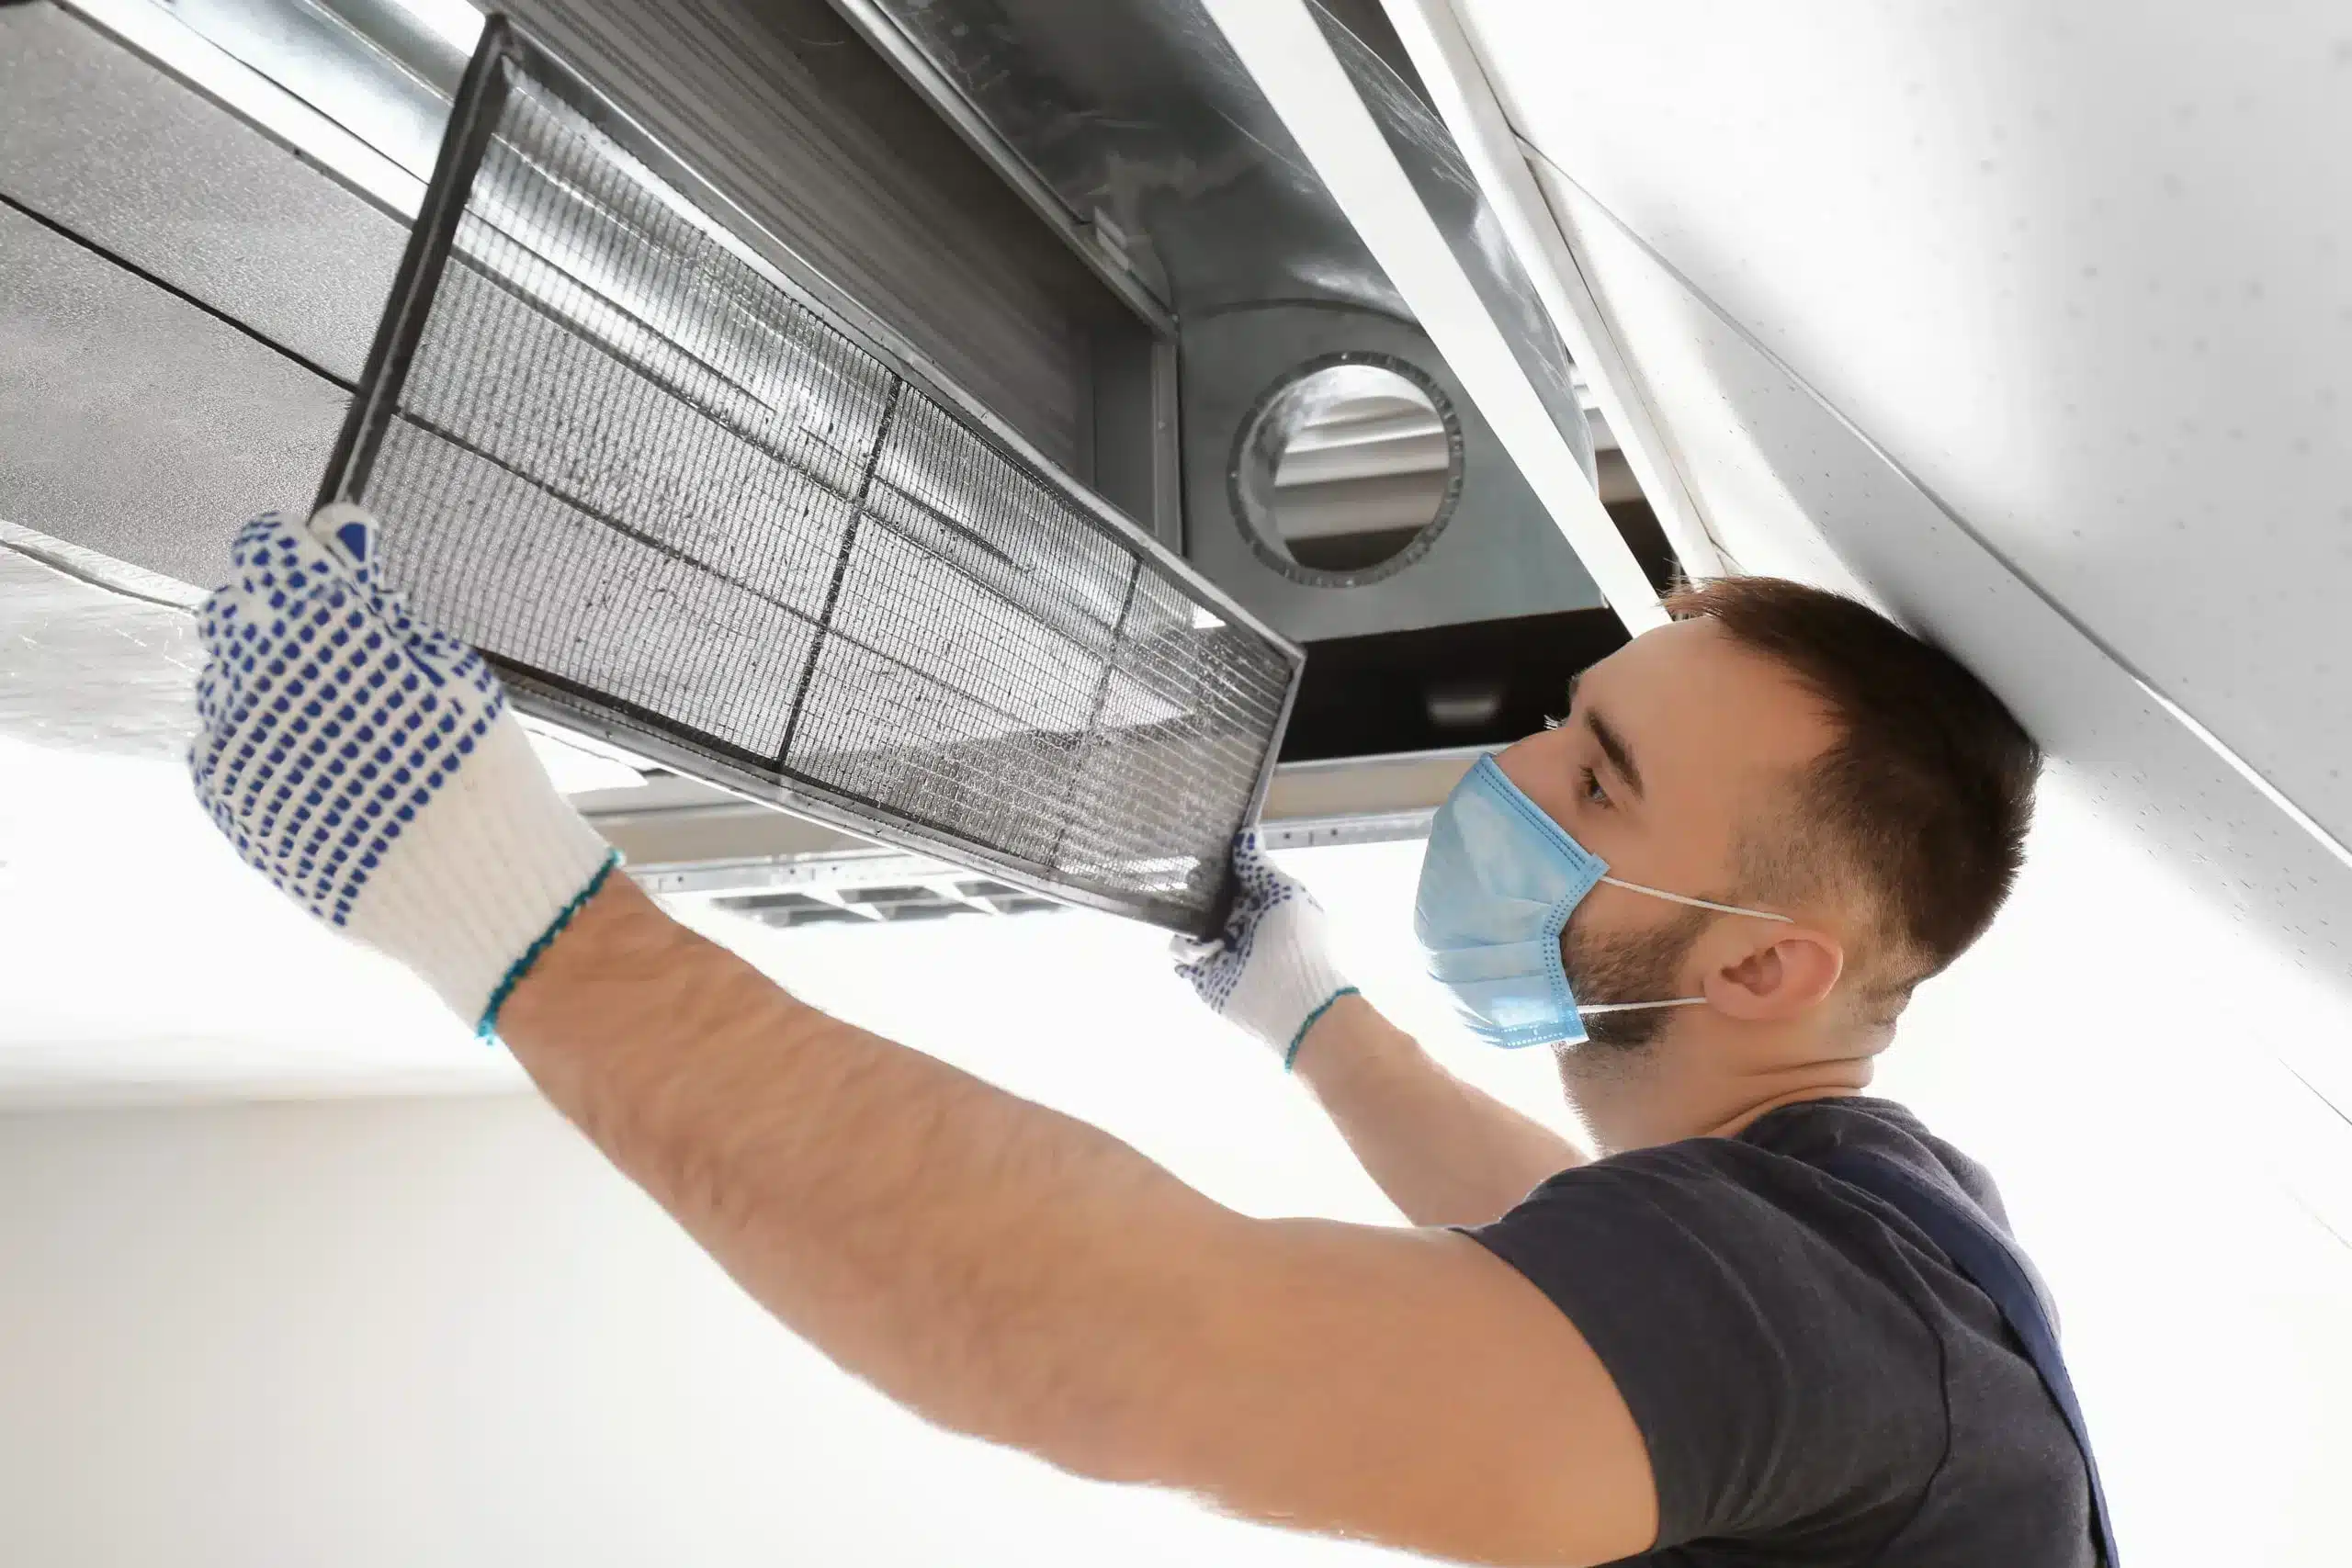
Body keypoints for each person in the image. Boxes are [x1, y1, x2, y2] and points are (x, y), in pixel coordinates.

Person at [188, 502, 2105, 1566]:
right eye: (1558, 716)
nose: (1507, 767)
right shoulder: (1874, 1239)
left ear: (1762, 969)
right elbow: (1565, 1257)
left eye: (1592, 777)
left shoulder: (1849, 1312)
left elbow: (1123, 1334)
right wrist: (1305, 1013)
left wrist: (518, 919)